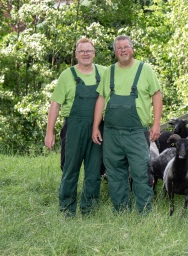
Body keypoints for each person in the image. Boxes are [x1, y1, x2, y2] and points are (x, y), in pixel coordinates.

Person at [92, 35, 162, 214]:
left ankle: (143, 211)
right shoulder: (109, 72)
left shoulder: (145, 69)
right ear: (115, 52)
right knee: (115, 174)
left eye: (126, 47)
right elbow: (101, 98)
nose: (123, 50)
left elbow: (156, 95)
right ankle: (121, 210)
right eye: (119, 48)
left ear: (132, 49)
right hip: (112, 132)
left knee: (141, 173)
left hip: (136, 132)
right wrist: (95, 127)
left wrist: (156, 124)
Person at [45, 38, 106, 217]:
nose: (86, 54)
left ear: (94, 53)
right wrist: (50, 133)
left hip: (97, 128)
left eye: (89, 51)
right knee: (70, 169)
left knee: (94, 171)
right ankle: (67, 209)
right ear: (76, 54)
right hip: (73, 128)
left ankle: (90, 210)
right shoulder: (67, 75)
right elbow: (55, 104)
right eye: (82, 51)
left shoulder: (104, 72)